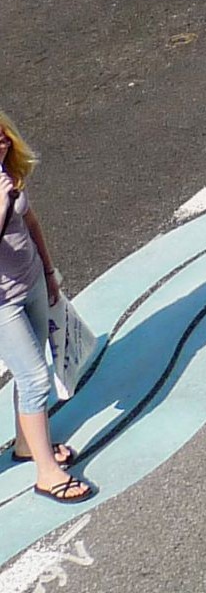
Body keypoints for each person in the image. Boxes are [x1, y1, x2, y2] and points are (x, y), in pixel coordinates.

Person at [1, 113, 90, 505]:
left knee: (32, 369)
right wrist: (3, 200)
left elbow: (31, 222)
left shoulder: (6, 177)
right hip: (3, 304)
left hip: (32, 281)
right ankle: (47, 473)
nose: (1, 146)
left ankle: (26, 445)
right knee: (36, 379)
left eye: (3, 138)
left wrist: (49, 272)